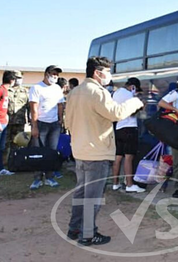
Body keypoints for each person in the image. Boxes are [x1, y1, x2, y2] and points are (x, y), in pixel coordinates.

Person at [65, 57, 144, 246]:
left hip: (80, 150)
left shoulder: (75, 92)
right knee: (93, 196)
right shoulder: (97, 92)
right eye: (108, 71)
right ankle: (88, 234)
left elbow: (67, 122)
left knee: (81, 192)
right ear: (97, 72)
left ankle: (74, 228)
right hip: (96, 152)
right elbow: (115, 113)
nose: (109, 75)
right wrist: (134, 102)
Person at [29, 65, 65, 189]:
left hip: (54, 124)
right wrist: (34, 126)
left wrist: (60, 119)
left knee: (52, 152)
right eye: (53, 74)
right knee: (38, 152)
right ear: (46, 74)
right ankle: (37, 178)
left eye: (57, 74)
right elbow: (33, 108)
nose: (55, 76)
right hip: (40, 123)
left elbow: (60, 105)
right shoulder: (36, 88)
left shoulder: (57, 88)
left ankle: (50, 177)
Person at [112, 77, 145, 193]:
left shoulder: (117, 93)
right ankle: (130, 185)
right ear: (133, 87)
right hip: (129, 128)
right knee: (129, 157)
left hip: (119, 127)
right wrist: (141, 104)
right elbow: (132, 113)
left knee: (118, 157)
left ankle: (115, 183)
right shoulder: (130, 95)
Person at [4, 70, 29, 163]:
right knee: (5, 143)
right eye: (16, 78)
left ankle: (16, 161)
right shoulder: (5, 89)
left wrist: (31, 120)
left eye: (20, 78)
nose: (18, 80)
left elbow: (29, 106)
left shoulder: (25, 91)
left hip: (20, 121)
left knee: (18, 142)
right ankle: (4, 162)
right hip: (7, 121)